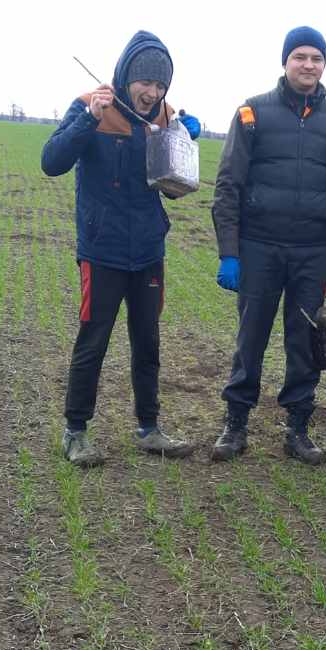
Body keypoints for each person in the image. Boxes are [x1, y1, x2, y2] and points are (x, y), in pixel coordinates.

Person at [41, 31, 201, 466]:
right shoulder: (90, 105)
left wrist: (182, 141)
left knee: (148, 342)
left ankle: (149, 428)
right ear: (127, 75)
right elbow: (51, 162)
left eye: (161, 85)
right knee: (93, 342)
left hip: (148, 250)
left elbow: (174, 189)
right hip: (102, 250)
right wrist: (88, 119)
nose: (152, 93)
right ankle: (75, 432)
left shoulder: (165, 116)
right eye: (145, 82)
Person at [210, 27, 326, 466]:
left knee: (305, 342)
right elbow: (228, 185)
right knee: (250, 338)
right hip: (258, 247)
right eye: (300, 56)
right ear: (285, 61)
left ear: (324, 65)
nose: (308, 65)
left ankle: (298, 428)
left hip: (311, 252)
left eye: (317, 58)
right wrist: (229, 252)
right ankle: (235, 424)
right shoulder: (252, 113)